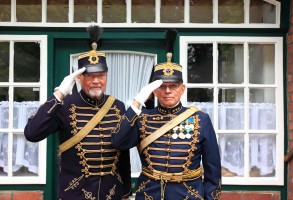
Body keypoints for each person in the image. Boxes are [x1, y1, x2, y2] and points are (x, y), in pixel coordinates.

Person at [24, 25, 131, 200]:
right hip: (75, 193)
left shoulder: (117, 106)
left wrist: (126, 190)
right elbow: (32, 133)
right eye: (90, 76)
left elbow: (123, 151)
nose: (96, 81)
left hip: (111, 193)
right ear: (79, 78)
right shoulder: (64, 104)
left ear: (106, 77)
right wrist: (58, 94)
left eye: (101, 75)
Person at [111, 29, 221, 200]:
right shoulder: (142, 118)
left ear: (182, 89)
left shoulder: (201, 119)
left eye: (173, 86)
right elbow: (118, 142)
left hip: (188, 194)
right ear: (154, 91)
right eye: (162, 87)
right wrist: (137, 103)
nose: (167, 91)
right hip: (150, 194)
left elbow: (212, 167)